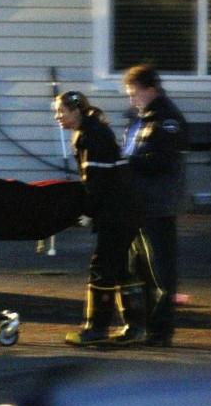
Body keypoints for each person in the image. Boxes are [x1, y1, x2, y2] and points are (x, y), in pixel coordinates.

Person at [54, 91, 147, 346]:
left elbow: (98, 182)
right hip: (124, 210)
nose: (57, 116)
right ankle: (136, 328)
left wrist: (86, 212)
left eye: (61, 111)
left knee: (102, 267)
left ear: (76, 111)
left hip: (117, 213)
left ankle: (97, 328)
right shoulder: (92, 131)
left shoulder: (92, 136)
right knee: (118, 268)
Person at [122, 64, 188, 347]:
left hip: (157, 205)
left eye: (135, 93)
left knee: (161, 270)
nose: (131, 99)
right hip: (137, 204)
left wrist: (124, 163)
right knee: (138, 269)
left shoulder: (167, 120)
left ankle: (160, 331)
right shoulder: (139, 119)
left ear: (151, 90)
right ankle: (140, 326)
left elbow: (161, 160)